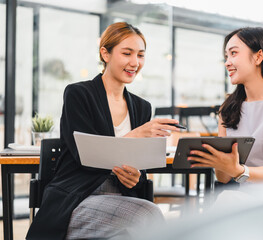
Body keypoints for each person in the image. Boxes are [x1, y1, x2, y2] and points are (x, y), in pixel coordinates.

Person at [27, 22, 180, 240]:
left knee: (138, 224)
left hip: (123, 197)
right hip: (78, 199)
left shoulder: (141, 107)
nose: (134, 62)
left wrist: (135, 177)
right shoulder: (79, 95)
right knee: (147, 216)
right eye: (127, 53)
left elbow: (138, 164)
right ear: (105, 53)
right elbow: (84, 155)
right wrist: (136, 135)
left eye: (141, 55)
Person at [188, 27, 263, 184]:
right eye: (226, 56)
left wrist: (237, 169)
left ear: (258, 57)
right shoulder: (227, 108)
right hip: (243, 195)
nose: (227, 63)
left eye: (234, 53)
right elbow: (223, 178)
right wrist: (217, 161)